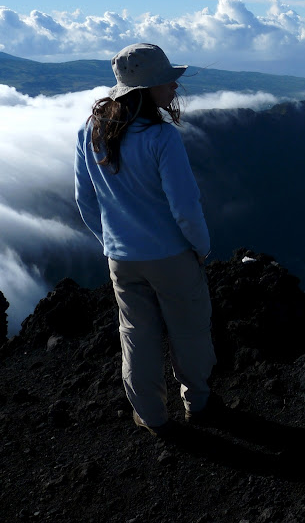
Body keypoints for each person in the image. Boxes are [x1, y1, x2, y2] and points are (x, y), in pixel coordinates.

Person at [74, 43, 217, 436]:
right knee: (189, 330)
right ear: (146, 88)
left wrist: (109, 242)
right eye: (165, 80)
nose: (173, 85)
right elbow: (185, 205)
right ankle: (198, 403)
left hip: (122, 258)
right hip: (171, 255)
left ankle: (152, 417)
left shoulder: (92, 131)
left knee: (136, 335)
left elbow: (85, 199)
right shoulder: (162, 137)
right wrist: (200, 248)